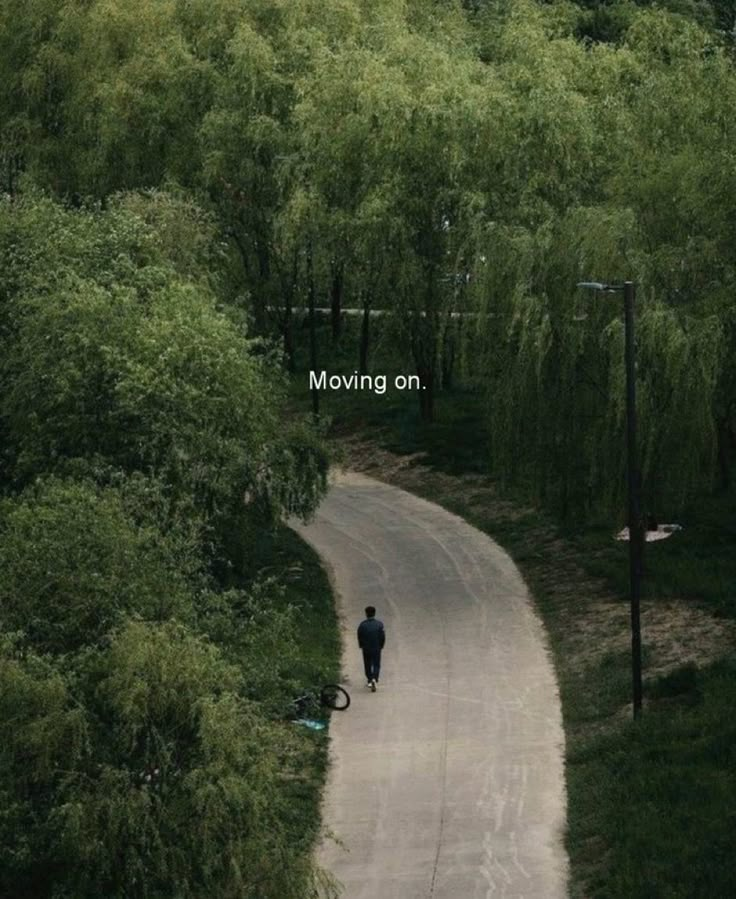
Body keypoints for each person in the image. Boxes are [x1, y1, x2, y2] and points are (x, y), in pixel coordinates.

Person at [357, 606, 385, 692]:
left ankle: (369, 679)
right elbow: (382, 636)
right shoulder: (379, 624)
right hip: (376, 647)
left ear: (366, 614)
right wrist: (381, 645)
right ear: (374, 613)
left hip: (366, 648)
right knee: (376, 664)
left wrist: (361, 645)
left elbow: (359, 636)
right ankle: (374, 678)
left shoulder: (362, 625)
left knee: (367, 663)